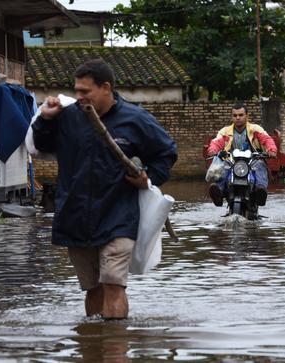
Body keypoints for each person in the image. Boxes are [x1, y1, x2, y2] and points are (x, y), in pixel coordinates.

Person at [31, 59, 177, 319]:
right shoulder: (68, 116)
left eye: (85, 91)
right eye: (76, 90)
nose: (79, 96)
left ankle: (114, 346)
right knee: (93, 289)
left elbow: (166, 153)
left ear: (106, 87)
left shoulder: (135, 119)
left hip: (118, 215)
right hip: (75, 216)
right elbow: (40, 145)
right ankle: (95, 347)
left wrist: (149, 178)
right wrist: (45, 118)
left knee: (113, 285)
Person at [206, 103, 277, 206]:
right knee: (224, 165)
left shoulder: (255, 129)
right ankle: (219, 191)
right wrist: (212, 150)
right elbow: (216, 142)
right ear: (232, 117)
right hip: (231, 161)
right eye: (235, 115)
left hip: (253, 160)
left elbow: (267, 139)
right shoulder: (225, 131)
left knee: (260, 165)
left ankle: (260, 191)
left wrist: (271, 150)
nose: (238, 118)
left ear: (247, 116)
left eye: (241, 115)